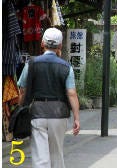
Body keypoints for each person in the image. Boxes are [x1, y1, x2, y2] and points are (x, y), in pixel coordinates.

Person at [17, 28, 80, 168]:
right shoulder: (66, 67)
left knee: (40, 158)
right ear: (60, 46)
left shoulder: (31, 64)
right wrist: (76, 118)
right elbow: (72, 94)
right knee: (56, 155)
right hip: (59, 114)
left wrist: (20, 108)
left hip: (37, 113)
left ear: (42, 43)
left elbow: (22, 90)